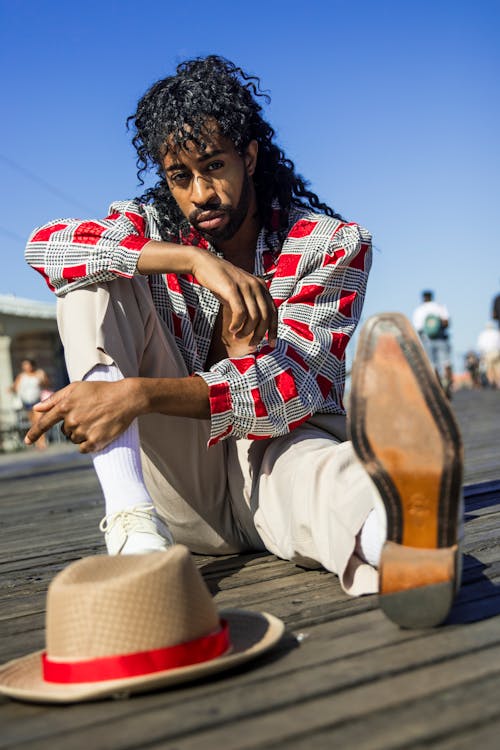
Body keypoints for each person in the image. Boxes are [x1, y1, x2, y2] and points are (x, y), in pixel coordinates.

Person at [24, 56, 463, 629]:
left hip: (277, 457)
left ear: (249, 156)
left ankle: (403, 546)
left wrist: (136, 395)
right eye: (180, 177)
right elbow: (47, 248)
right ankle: (130, 521)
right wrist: (187, 260)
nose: (201, 192)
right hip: (179, 489)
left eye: (215, 166)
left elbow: (293, 390)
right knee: (92, 276)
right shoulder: (153, 229)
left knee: (332, 482)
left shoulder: (327, 245)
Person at [412, 290, 453, 398]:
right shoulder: (439, 307)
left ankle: (438, 388)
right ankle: (448, 382)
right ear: (432, 297)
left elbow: (418, 328)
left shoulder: (419, 310)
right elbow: (447, 323)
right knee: (446, 362)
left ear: (423, 298)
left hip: (427, 339)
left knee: (432, 364)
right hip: (441, 337)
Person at [11, 359, 50, 450]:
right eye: (24, 365)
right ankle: (37, 441)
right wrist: (12, 389)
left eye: (27, 365)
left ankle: (42, 441)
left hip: (37, 400)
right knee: (33, 422)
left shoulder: (39, 374)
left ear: (32, 365)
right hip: (27, 402)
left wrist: (43, 381)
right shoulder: (21, 376)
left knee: (39, 421)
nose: (25, 367)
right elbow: (15, 387)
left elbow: (47, 384)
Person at [477, 321, 500, 388]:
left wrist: (481, 355)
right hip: (496, 352)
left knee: (489, 369)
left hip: (488, 353)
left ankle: (492, 381)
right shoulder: (496, 333)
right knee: (497, 368)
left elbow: (480, 346)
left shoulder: (483, 335)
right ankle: (498, 382)